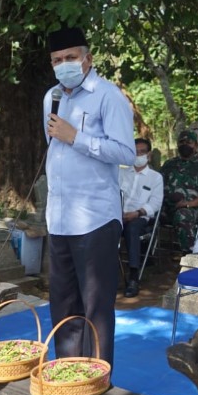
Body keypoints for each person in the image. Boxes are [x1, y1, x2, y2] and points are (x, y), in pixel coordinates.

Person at [43, 27, 135, 368]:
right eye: (57, 60)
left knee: (95, 306)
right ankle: (68, 373)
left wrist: (77, 137)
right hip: (60, 218)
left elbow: (125, 151)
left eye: (70, 58)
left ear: (87, 59)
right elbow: (53, 152)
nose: (64, 64)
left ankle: (97, 379)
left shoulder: (107, 96)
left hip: (95, 217)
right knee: (64, 305)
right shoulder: (50, 97)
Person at [119, 138, 164, 298]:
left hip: (141, 217)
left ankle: (133, 277)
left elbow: (156, 203)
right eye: (135, 152)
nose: (139, 155)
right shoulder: (121, 173)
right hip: (118, 215)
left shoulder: (155, 177)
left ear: (149, 155)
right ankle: (102, 273)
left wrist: (136, 213)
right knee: (104, 227)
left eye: (142, 152)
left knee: (132, 229)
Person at [160, 131, 198, 253]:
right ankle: (142, 256)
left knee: (182, 214)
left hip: (192, 210)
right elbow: (156, 185)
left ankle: (191, 255)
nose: (184, 145)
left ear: (196, 145)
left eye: (189, 142)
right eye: (181, 142)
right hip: (166, 209)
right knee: (144, 214)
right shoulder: (169, 164)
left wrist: (188, 204)